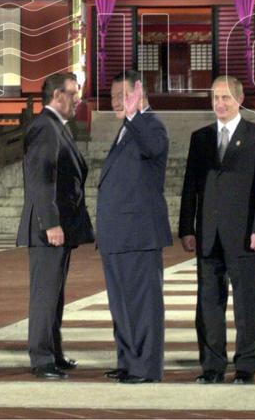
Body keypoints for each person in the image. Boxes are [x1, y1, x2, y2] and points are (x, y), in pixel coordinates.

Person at [178, 75, 255, 385]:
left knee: (247, 303)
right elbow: (191, 186)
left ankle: (246, 365)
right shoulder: (201, 138)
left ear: (239, 100)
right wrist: (187, 228)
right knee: (209, 303)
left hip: (245, 234)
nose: (220, 103)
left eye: (225, 97)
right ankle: (212, 365)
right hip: (208, 234)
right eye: (215, 98)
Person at [16, 72, 94, 380]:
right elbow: (42, 178)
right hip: (48, 229)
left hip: (58, 227)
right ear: (57, 95)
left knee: (55, 294)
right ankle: (42, 358)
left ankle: (53, 352)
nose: (78, 100)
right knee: (45, 295)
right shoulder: (45, 127)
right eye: (73, 94)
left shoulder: (56, 127)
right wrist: (50, 223)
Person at [97, 70, 172, 384]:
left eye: (124, 95)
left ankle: (145, 367)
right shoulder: (127, 128)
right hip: (118, 235)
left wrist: (133, 115)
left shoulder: (151, 125)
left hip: (139, 234)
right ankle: (129, 362)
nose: (117, 102)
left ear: (141, 95)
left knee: (142, 304)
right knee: (122, 305)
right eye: (113, 96)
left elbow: (153, 147)